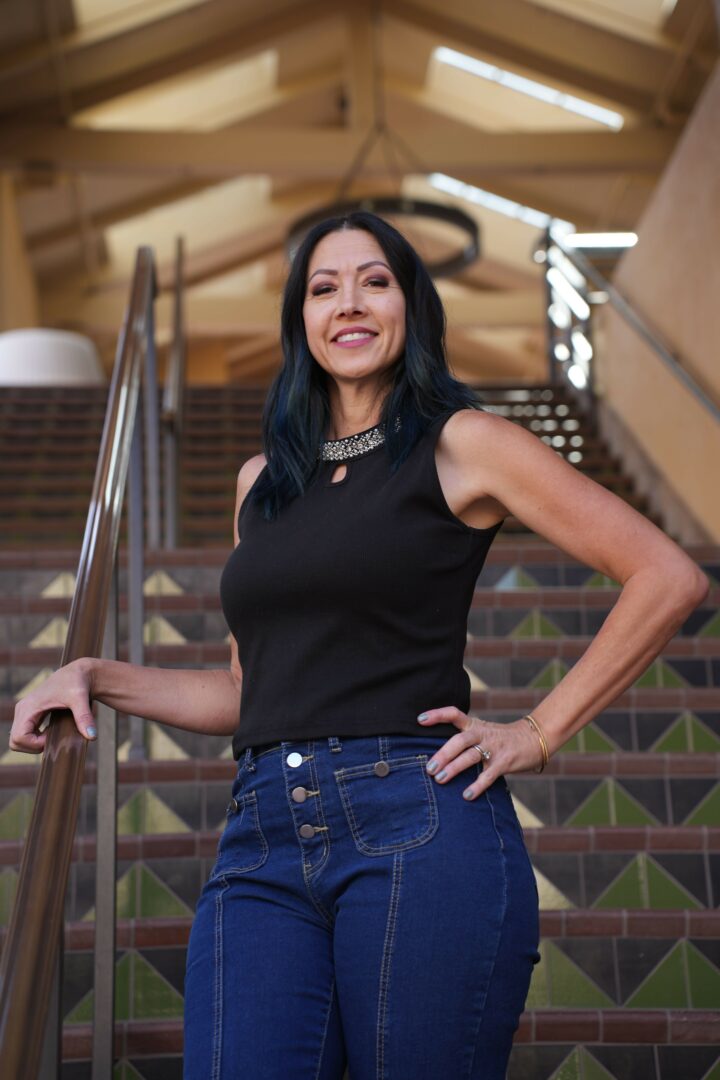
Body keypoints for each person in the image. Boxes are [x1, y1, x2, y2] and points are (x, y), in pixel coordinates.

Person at [10, 211, 709, 1079]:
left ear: (411, 306)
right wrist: (93, 673)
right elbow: (248, 693)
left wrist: (537, 732)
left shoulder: (465, 444)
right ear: (300, 319)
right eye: (323, 287)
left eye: (375, 281)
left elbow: (666, 575)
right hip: (261, 838)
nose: (349, 302)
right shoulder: (262, 483)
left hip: (418, 821)